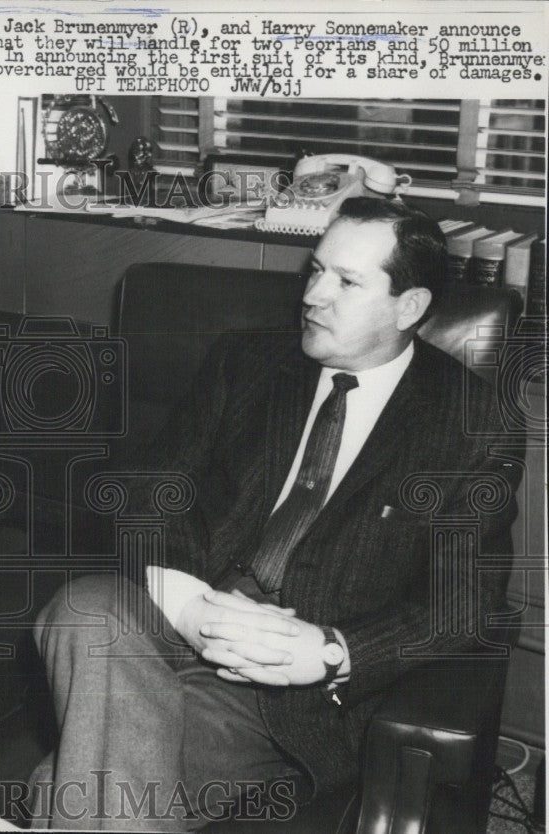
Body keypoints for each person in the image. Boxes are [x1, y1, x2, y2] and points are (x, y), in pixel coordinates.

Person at [30, 197, 520, 829]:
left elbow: (467, 601)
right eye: (315, 270)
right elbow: (142, 492)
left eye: (346, 282)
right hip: (173, 617)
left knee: (62, 787)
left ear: (410, 307)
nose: (314, 295)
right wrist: (190, 606)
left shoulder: (472, 424)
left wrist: (333, 652)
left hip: (280, 693)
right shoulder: (249, 362)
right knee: (84, 608)